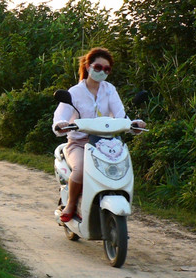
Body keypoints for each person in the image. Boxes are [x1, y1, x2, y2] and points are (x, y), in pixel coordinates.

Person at [53, 47, 145, 222]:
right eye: (98, 67)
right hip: (79, 144)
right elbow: (60, 117)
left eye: (107, 69)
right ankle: (71, 204)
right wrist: (61, 125)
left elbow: (120, 115)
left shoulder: (109, 90)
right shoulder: (74, 92)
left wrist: (134, 124)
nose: (102, 72)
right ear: (88, 66)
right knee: (80, 170)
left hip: (106, 144)